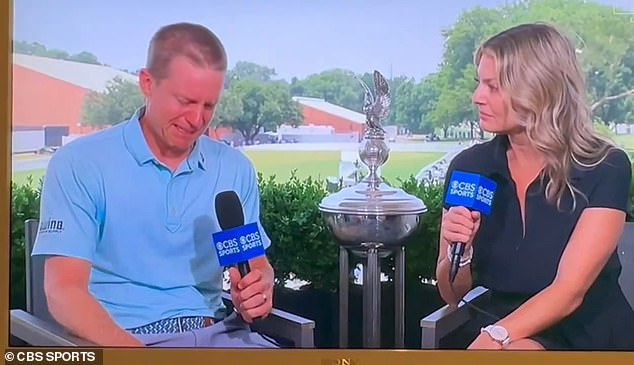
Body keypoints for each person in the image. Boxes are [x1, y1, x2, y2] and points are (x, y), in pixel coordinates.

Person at [32, 22, 278, 348]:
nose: (196, 120)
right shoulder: (80, 164)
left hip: (221, 336)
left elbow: (253, 262)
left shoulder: (234, 169)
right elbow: (63, 290)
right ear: (147, 83)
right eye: (185, 101)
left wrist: (259, 286)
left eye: (208, 106)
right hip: (118, 340)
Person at [436, 22, 634, 351]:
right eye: (478, 84)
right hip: (501, 326)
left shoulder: (605, 166)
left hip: (583, 331)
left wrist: (494, 336)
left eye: (493, 86)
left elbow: (569, 291)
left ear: (538, 88)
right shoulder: (470, 168)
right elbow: (451, 292)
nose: (477, 97)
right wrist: (462, 253)